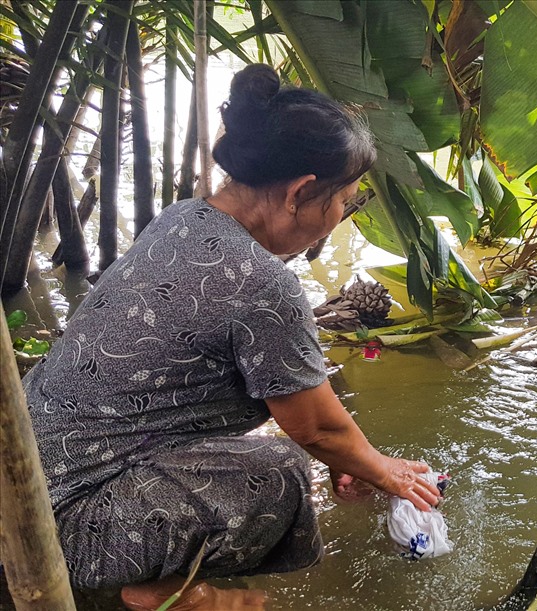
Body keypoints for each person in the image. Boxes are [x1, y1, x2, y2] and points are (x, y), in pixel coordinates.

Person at [21, 63, 440, 610]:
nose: (341, 216)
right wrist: (383, 470)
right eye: (345, 201)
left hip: (27, 481)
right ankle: (172, 595)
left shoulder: (182, 217)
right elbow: (311, 427)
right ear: (300, 191)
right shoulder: (265, 286)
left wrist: (354, 457)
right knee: (278, 473)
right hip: (59, 527)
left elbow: (303, 402)